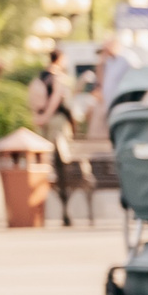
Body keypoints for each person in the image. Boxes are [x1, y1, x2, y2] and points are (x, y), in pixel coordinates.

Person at [29, 49, 92, 226]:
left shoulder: (41, 77)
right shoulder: (57, 77)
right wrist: (46, 117)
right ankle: (64, 211)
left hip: (45, 125)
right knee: (61, 165)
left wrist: (40, 118)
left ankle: (61, 210)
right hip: (57, 125)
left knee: (52, 165)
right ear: (61, 59)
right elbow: (57, 99)